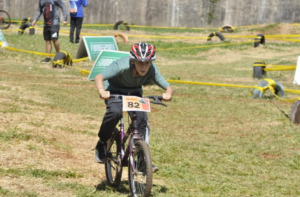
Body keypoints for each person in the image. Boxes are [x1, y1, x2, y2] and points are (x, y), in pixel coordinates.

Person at [94, 42, 174, 172]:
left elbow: (168, 87)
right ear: (132, 61)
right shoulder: (121, 65)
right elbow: (99, 77)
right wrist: (102, 90)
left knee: (142, 120)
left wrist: (168, 94)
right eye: (140, 63)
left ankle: (142, 159)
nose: (144, 67)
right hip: (114, 92)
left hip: (135, 94)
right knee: (114, 112)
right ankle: (102, 142)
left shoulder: (151, 69)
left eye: (147, 63)